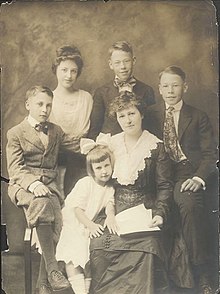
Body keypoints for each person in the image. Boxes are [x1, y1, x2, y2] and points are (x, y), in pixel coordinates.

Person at [89, 91, 173, 294]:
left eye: (131, 113)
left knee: (146, 248)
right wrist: (107, 211)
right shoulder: (110, 144)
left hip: (145, 209)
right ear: (117, 119)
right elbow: (100, 181)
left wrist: (160, 214)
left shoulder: (156, 146)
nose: (127, 120)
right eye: (122, 116)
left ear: (141, 114)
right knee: (99, 245)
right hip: (113, 208)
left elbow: (164, 186)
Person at [146, 66, 217, 294]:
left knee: (188, 204)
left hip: (188, 173)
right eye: (165, 86)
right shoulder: (149, 114)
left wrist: (198, 177)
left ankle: (202, 273)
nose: (170, 90)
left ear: (184, 87)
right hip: (159, 173)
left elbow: (210, 154)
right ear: (159, 88)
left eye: (175, 85)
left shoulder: (197, 116)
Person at [6, 86, 80, 294]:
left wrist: (92, 146)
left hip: (51, 186)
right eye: (39, 104)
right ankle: (53, 270)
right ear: (28, 105)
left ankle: (42, 284)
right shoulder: (15, 133)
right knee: (42, 203)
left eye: (48, 105)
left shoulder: (56, 131)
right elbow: (15, 169)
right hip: (23, 186)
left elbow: (72, 146)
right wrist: (33, 183)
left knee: (59, 216)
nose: (44, 109)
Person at [56, 142, 118, 294]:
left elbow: (110, 203)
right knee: (74, 255)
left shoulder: (110, 187)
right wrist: (90, 225)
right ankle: (80, 292)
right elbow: (77, 210)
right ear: (91, 170)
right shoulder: (85, 183)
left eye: (106, 166)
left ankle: (85, 290)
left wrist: (110, 216)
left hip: (86, 223)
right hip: (72, 222)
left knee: (87, 258)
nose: (104, 171)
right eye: (98, 168)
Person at [87, 40, 155, 140]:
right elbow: (95, 128)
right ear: (111, 65)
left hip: (138, 143)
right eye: (117, 63)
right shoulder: (101, 92)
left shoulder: (146, 90)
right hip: (110, 144)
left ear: (134, 61)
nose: (123, 67)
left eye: (126, 61)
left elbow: (151, 125)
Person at [50, 45, 93, 196]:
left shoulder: (86, 98)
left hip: (81, 164)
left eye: (73, 71)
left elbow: (91, 134)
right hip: (53, 164)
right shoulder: (48, 100)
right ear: (55, 69)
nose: (69, 75)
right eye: (64, 70)